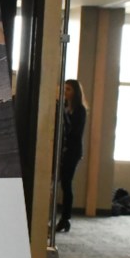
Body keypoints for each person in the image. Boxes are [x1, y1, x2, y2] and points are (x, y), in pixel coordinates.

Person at [55, 79, 87, 232]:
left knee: (67, 183)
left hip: (72, 152)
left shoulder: (80, 110)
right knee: (63, 183)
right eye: (64, 89)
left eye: (68, 89)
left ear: (75, 92)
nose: (65, 92)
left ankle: (65, 218)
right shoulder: (65, 107)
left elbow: (74, 131)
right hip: (64, 150)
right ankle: (63, 218)